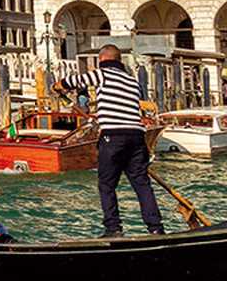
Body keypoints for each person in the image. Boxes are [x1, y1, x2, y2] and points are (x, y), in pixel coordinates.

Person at [57, 44, 166, 237]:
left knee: (106, 184)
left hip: (113, 136)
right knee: (142, 184)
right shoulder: (132, 81)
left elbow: (74, 81)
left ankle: (113, 229)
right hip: (137, 137)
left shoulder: (103, 74)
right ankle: (156, 228)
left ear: (102, 60)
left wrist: (59, 85)